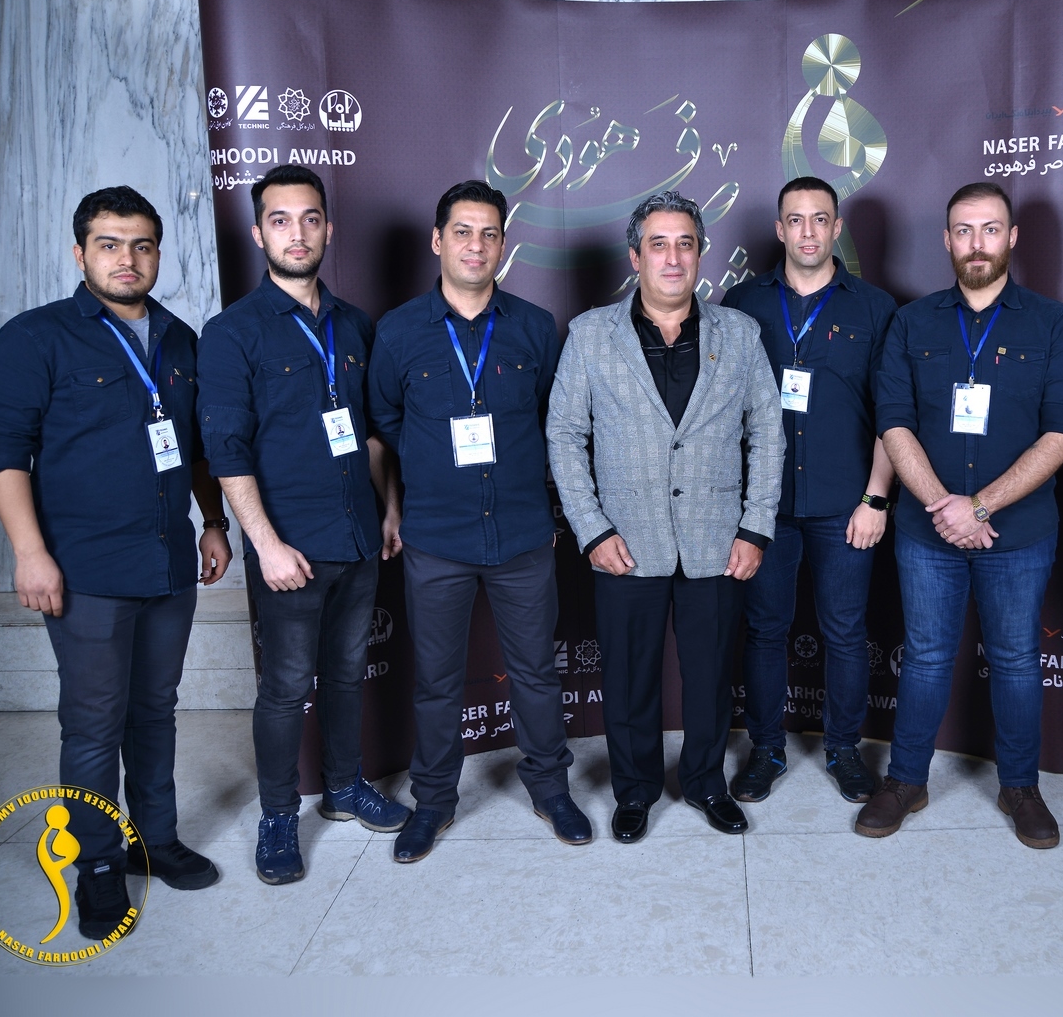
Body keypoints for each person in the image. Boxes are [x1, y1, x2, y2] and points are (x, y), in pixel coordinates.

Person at [0, 186, 230, 939]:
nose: (128, 259)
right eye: (110, 244)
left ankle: (154, 841)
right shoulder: (35, 338)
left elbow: (196, 448)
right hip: (83, 568)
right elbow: (3, 452)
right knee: (93, 724)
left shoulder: (180, 340)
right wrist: (30, 554)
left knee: (155, 710)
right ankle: (94, 862)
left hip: (168, 564)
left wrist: (214, 523)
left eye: (142, 245)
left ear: (158, 253)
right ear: (80, 252)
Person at [546, 191, 783, 842]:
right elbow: (564, 435)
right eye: (659, 244)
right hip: (623, 540)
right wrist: (592, 529)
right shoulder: (591, 335)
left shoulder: (741, 334)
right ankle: (635, 790)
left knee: (710, 677)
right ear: (635, 256)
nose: (673, 257)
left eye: (685, 243)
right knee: (628, 680)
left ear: (701, 254)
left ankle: (706, 783)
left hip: (718, 540)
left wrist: (755, 527)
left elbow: (767, 433)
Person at [197, 165, 409, 885]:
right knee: (287, 686)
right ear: (259, 234)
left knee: (348, 672)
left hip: (357, 537)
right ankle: (279, 815)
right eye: (280, 220)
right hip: (288, 548)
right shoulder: (231, 333)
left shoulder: (354, 324)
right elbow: (226, 452)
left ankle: (345, 787)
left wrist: (388, 508)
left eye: (310, 218)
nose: (298, 233)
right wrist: (265, 545)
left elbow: (372, 432)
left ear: (328, 228)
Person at [861, 182, 1063, 847]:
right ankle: (906, 779)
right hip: (926, 531)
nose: (977, 243)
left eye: (990, 229)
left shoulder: (1052, 324)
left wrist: (980, 505)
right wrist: (945, 507)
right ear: (947, 241)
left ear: (1012, 237)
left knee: (1016, 660)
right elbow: (894, 423)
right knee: (926, 657)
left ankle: (1021, 787)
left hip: (1017, 532)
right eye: (963, 231)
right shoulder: (913, 322)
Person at [369, 180, 588, 861]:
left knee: (536, 673)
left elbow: (556, 421)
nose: (476, 245)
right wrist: (408, 491)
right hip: (435, 538)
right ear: (438, 241)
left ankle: (550, 787)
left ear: (503, 245)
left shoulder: (534, 327)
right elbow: (385, 424)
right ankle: (434, 800)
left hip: (523, 534)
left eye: (490, 233)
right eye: (462, 232)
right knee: (436, 681)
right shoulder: (398, 331)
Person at [719, 176, 898, 804]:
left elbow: (893, 414)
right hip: (764, 507)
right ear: (779, 229)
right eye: (795, 219)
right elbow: (720, 411)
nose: (808, 231)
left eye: (820, 219)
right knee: (765, 630)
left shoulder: (875, 308)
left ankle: (844, 750)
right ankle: (766, 749)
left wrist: (876, 498)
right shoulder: (742, 304)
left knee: (845, 631)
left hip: (845, 503)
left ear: (837, 227)